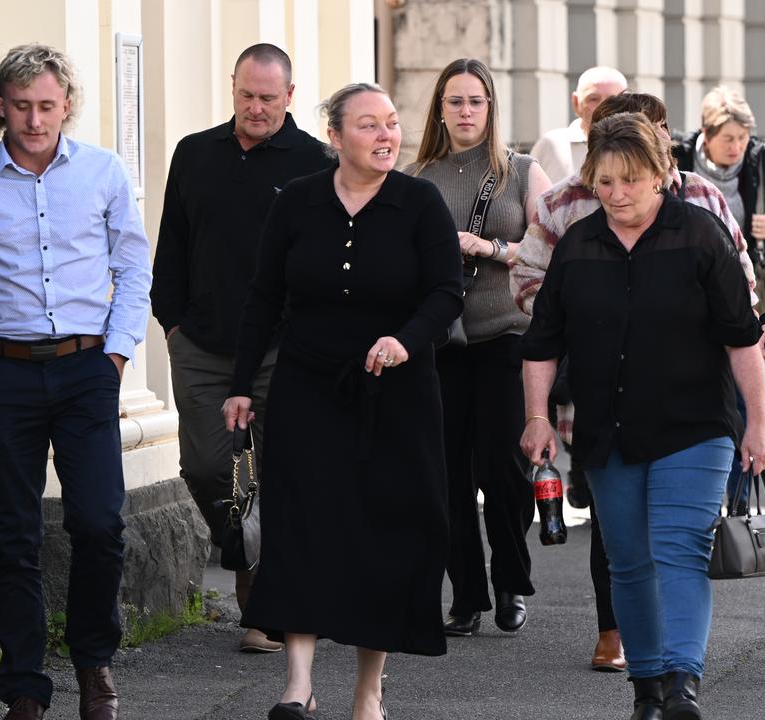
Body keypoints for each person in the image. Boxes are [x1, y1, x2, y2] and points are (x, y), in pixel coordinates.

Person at [0, 43, 151, 720]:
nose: (34, 120)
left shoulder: (104, 172)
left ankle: (94, 664)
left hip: (87, 370)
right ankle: (24, 686)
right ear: (0, 105)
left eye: (47, 105)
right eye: (21, 105)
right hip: (4, 375)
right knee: (15, 536)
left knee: (99, 522)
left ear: (67, 105)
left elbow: (134, 267)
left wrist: (116, 355)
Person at [221, 83, 462, 720]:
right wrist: (241, 385)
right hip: (308, 389)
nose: (386, 136)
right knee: (302, 526)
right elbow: (263, 299)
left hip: (397, 395)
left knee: (383, 534)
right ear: (335, 136)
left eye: (392, 123)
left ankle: (368, 689)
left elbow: (446, 292)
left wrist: (406, 340)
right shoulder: (297, 201)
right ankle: (297, 685)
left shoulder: (420, 202)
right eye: (368, 125)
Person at [520, 111, 765, 720]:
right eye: (604, 182)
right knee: (628, 562)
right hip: (608, 429)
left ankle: (683, 683)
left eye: (629, 180)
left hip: (695, 424)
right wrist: (537, 417)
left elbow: (742, 338)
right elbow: (542, 342)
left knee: (680, 548)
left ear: (660, 174)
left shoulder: (700, 234)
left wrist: (758, 424)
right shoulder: (578, 245)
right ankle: (648, 690)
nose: (616, 194)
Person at [150, 43, 330, 653]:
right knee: (206, 466)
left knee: (283, 470)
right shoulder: (194, 153)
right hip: (202, 345)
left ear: (290, 96)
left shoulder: (316, 163)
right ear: (232, 88)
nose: (256, 107)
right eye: (247, 95)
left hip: (285, 349)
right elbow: (172, 244)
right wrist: (172, 323)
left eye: (268, 98)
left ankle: (267, 598)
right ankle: (246, 558)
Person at [406, 57, 552, 638]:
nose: (466, 112)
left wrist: (489, 248)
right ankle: (466, 595)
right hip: (442, 341)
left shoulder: (522, 171)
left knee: (503, 465)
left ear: (490, 108)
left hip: (507, 336)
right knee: (447, 475)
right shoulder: (417, 177)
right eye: (455, 102)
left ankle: (511, 579)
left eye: (475, 101)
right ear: (440, 110)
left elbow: (547, 248)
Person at [673, 86, 765, 307]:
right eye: (727, 139)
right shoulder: (680, 159)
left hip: (747, 286)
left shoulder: (761, 160)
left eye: (742, 137)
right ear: (706, 134)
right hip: (689, 282)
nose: (736, 147)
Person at [530, 66, 628, 182]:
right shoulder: (550, 146)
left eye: (612, 100)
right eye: (593, 99)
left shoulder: (641, 146)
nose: (603, 107)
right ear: (576, 102)